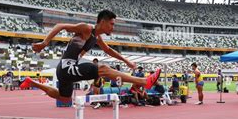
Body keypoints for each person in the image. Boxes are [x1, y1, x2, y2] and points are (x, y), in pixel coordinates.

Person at [20, 10, 161, 102]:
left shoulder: (97, 37)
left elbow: (108, 50)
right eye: (111, 24)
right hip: (66, 66)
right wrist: (45, 43)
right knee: (103, 69)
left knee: (64, 97)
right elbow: (60, 25)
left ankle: (32, 82)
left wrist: (126, 61)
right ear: (103, 22)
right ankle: (143, 82)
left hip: (66, 69)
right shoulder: (86, 28)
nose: (113, 27)